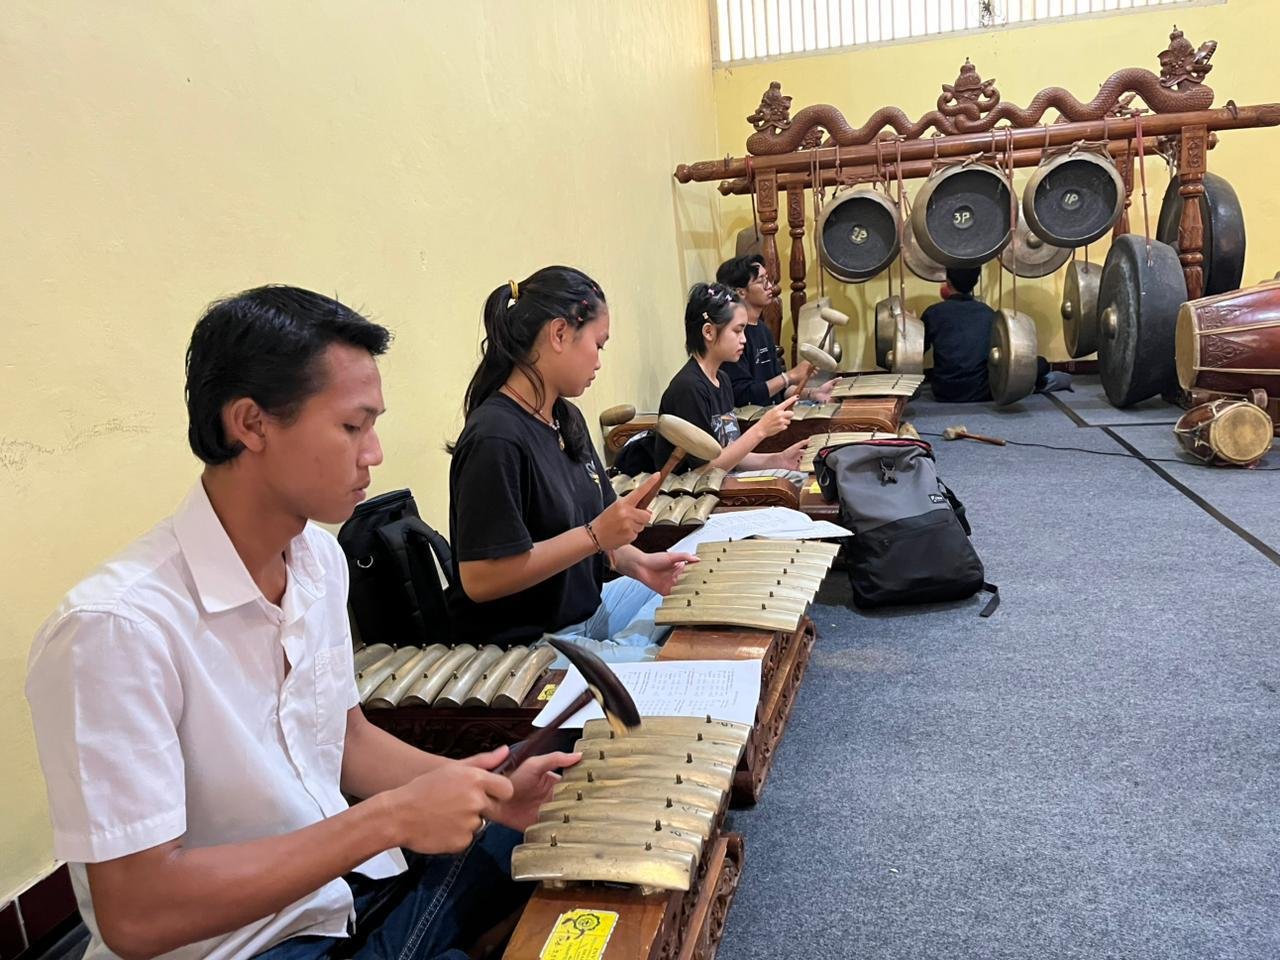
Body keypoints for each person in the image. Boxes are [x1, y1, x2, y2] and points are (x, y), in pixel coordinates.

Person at [25, 286, 577, 960]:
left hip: (343, 897)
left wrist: (487, 794)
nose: (374, 453)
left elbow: (345, 740)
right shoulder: (113, 630)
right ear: (250, 424)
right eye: (352, 427)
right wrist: (389, 820)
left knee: (548, 842)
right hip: (244, 947)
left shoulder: (317, 558)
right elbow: (136, 914)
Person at [448, 266, 696, 659]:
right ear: (560, 333)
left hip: (591, 611)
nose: (599, 362)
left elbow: (600, 533)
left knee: (696, 596)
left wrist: (642, 566)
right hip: (533, 645)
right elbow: (479, 580)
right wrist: (594, 536)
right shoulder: (495, 437)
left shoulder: (566, 418)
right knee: (685, 662)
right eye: (598, 344)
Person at [653, 283, 807, 474]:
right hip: (691, 491)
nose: (744, 339)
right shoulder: (689, 388)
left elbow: (730, 455)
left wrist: (778, 459)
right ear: (708, 332)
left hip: (723, 482)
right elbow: (703, 471)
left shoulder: (722, 379)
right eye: (737, 331)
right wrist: (760, 430)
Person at [921, 266, 1072, 402]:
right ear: (976, 281)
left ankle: (1045, 382)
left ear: (948, 282)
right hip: (984, 391)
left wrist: (912, 327)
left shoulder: (932, 313)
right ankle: (1047, 382)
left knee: (1038, 366)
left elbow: (918, 350)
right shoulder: (988, 313)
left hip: (944, 392)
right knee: (1040, 365)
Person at [715, 254, 837, 407]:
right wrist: (790, 376)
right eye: (761, 281)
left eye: (767, 279)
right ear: (741, 292)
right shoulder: (733, 335)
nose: (769, 286)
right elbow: (743, 396)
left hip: (774, 413)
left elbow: (778, 389)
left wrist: (813, 393)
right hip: (752, 419)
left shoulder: (763, 330)